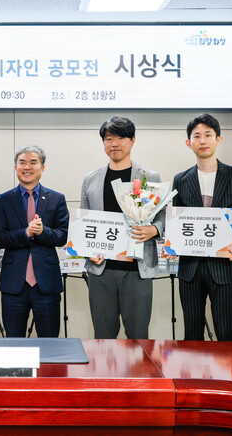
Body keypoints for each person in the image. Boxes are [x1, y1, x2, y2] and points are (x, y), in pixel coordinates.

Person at [170, 114, 232, 341]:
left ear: (218, 139)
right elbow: (177, 221)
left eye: (208, 135)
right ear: (189, 143)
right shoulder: (180, 179)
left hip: (225, 267)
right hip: (190, 269)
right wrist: (171, 243)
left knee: (226, 334)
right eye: (197, 136)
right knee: (192, 335)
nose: (203, 140)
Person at [80, 117, 164, 339]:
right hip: (101, 269)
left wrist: (155, 230)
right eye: (109, 139)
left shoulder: (149, 177)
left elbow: (163, 214)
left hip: (137, 269)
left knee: (138, 337)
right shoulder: (90, 180)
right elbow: (84, 222)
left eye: (121, 138)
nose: (114, 144)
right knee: (103, 338)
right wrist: (88, 251)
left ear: (133, 140)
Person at [0, 145, 69, 337]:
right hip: (14, 284)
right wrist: (26, 233)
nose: (27, 167)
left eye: (33, 162)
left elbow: (62, 236)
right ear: (15, 167)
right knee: (13, 341)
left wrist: (42, 232)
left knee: (50, 340)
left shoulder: (57, 199)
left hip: (47, 284)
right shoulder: (2, 200)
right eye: (22, 162)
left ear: (42, 167)